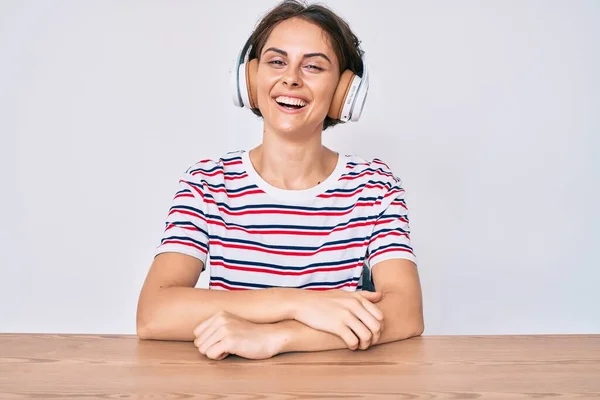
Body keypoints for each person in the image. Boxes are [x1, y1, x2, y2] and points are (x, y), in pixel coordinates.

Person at [136, 0, 424, 360]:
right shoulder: (207, 183)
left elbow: (407, 313)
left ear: (343, 92)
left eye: (314, 66)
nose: (291, 78)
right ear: (250, 79)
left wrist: (278, 337)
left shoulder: (375, 186)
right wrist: (298, 304)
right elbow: (154, 313)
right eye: (276, 62)